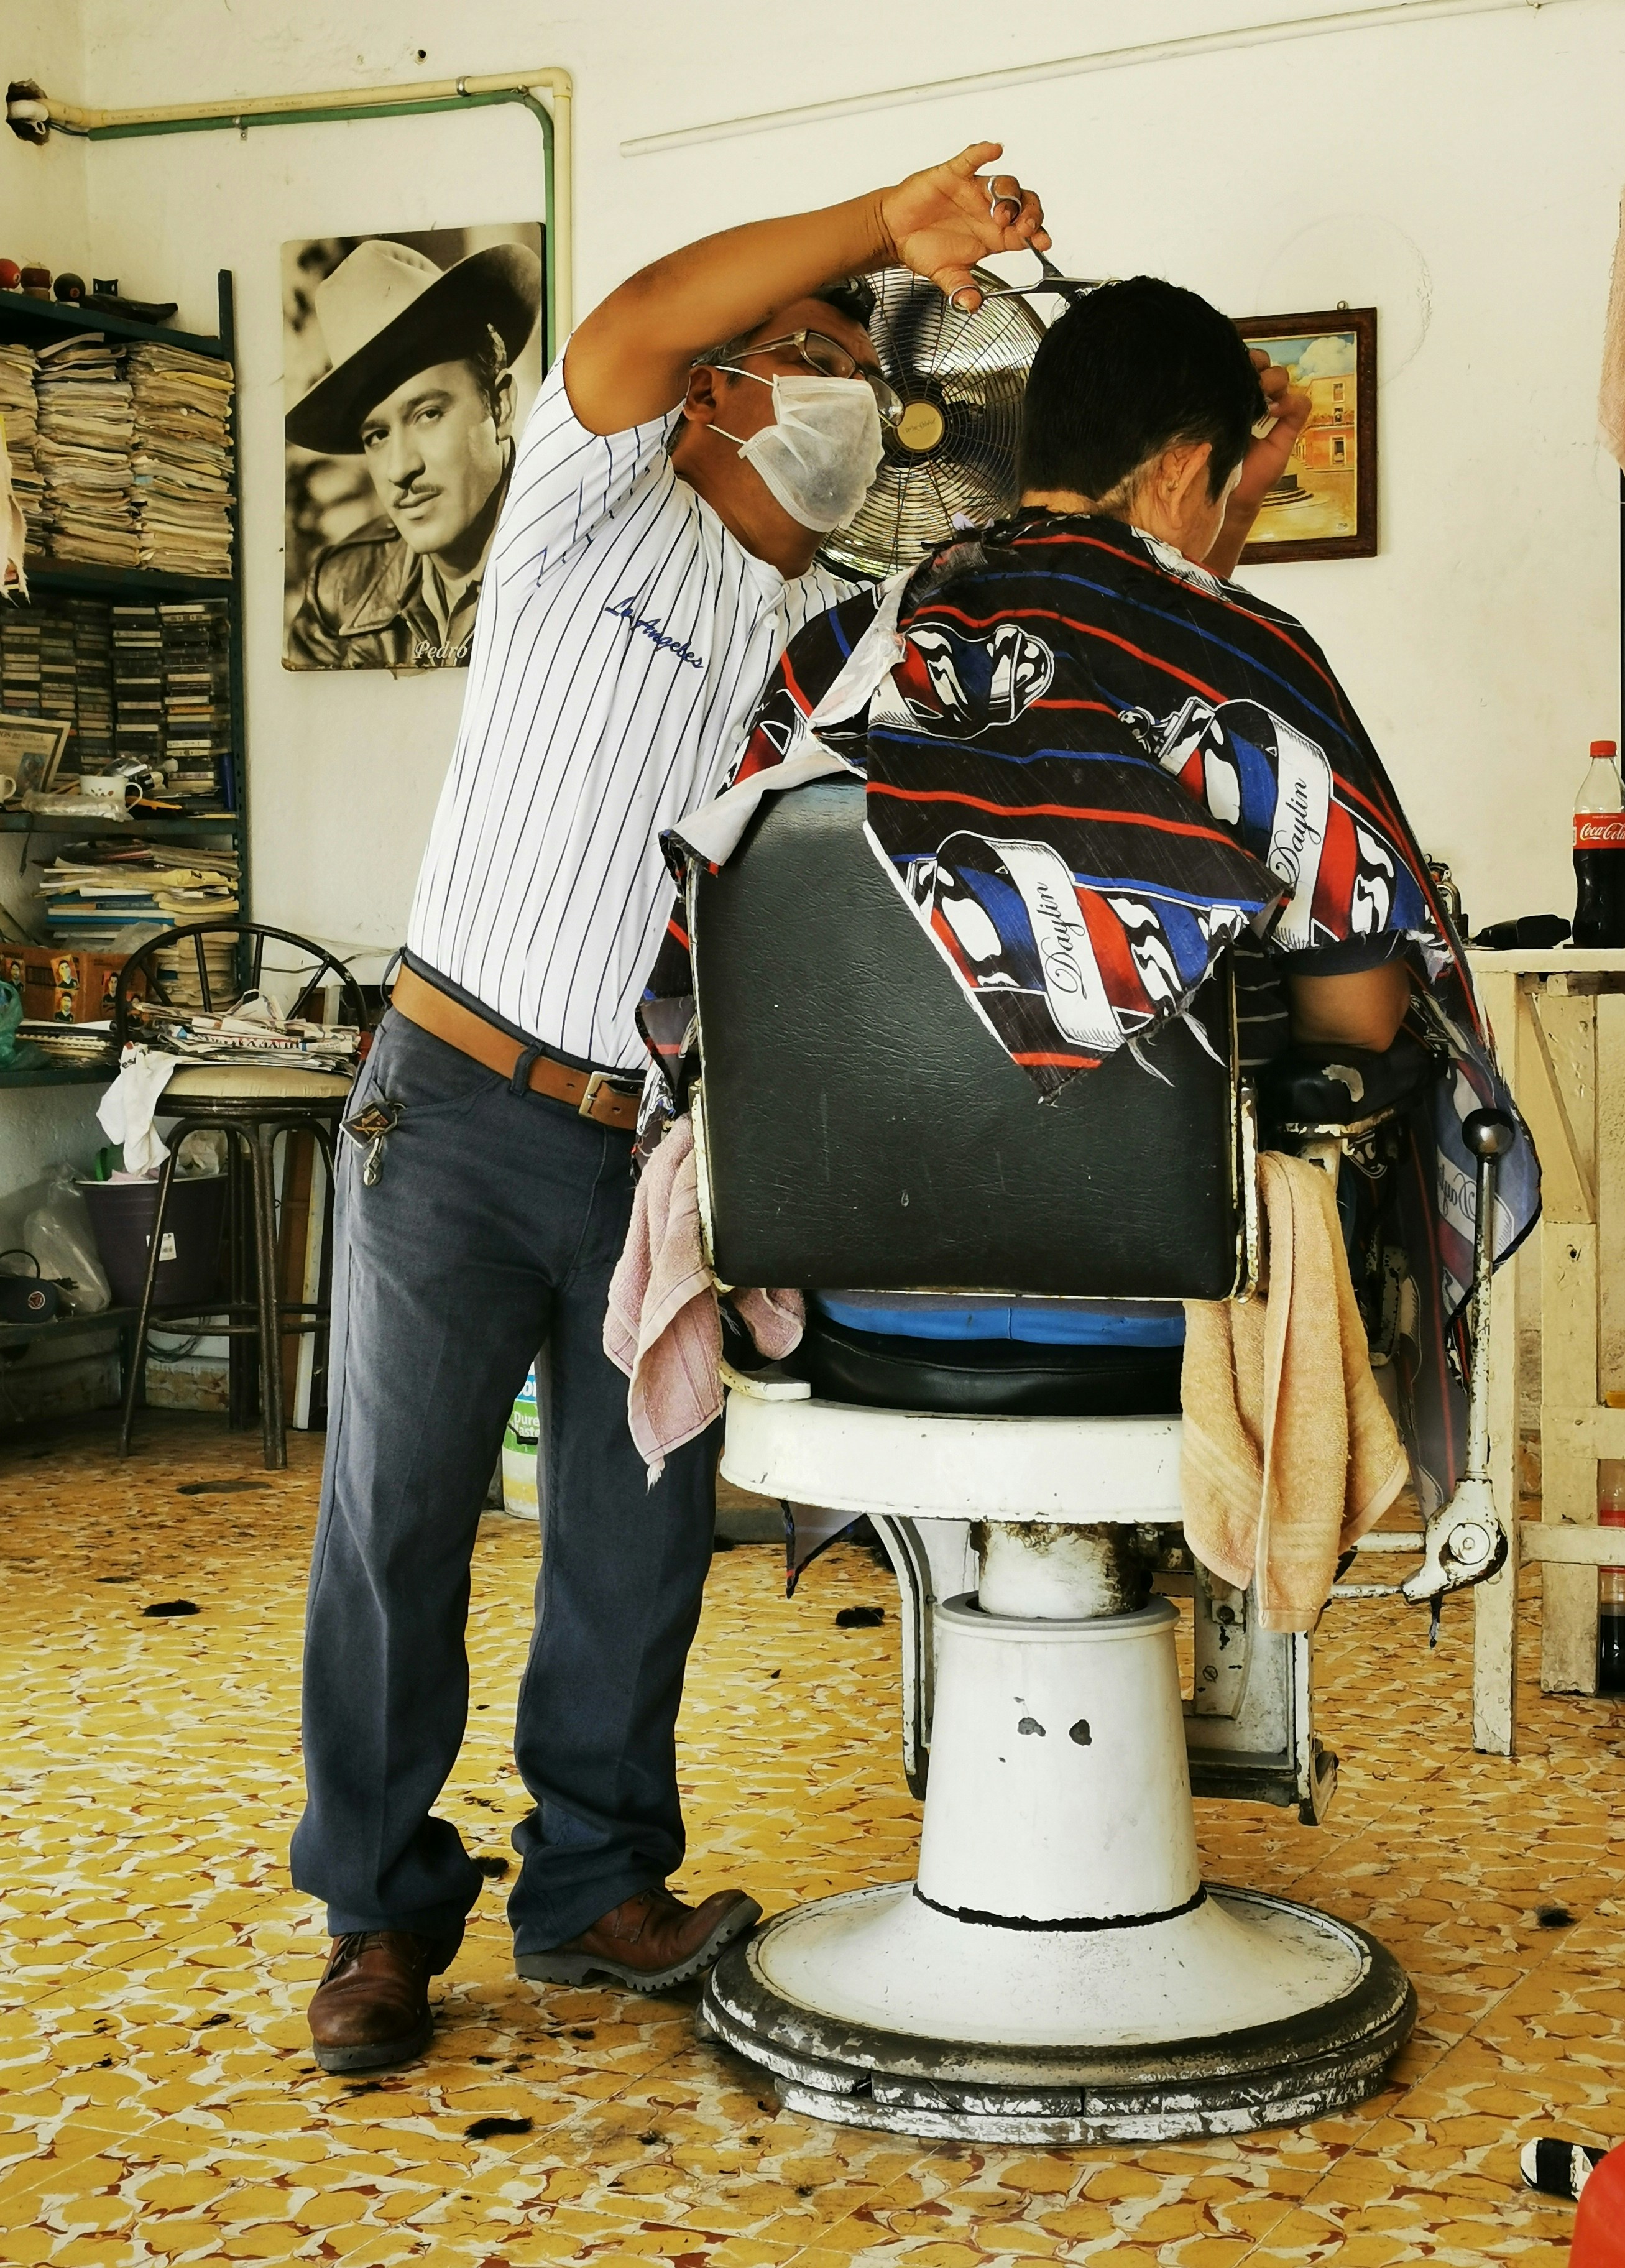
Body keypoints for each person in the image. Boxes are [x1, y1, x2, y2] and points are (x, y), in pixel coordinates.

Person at [289, 142, 1085, 2077]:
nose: (837, 391)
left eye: (856, 365)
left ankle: (592, 1883)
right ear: (726, 380)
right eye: (806, 347)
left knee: (634, 1535)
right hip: (456, 1104)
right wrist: (882, 229)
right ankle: (379, 1913)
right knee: (396, 1525)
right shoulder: (583, 507)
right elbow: (633, 317)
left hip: (655, 1152)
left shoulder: (842, 633)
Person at [639, 275, 1535, 1515]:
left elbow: (725, 984)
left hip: (851, 1291)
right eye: (1230, 486)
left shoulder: (840, 657)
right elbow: (1365, 1020)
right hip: (1169, 1308)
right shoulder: (1246, 662)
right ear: (1181, 469)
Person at [284, 237, 541, 671]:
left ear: (499, 407)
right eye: (377, 437)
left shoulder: (586, 561)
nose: (401, 469)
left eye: (427, 414)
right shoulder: (337, 595)